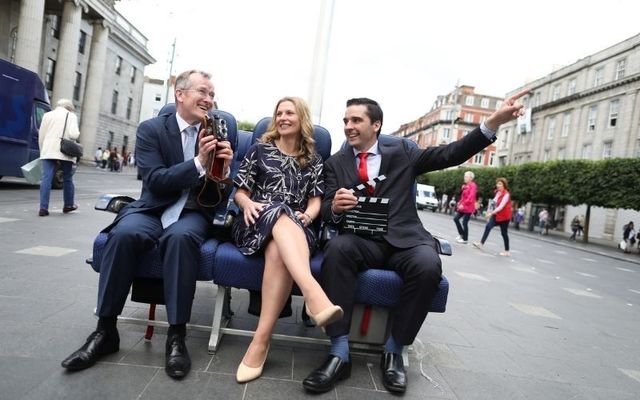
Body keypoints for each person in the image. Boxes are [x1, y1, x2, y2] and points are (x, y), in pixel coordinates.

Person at [303, 91, 528, 394]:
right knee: (337, 249)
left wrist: (493, 123)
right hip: (361, 239)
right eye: (346, 120)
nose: (349, 126)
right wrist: (335, 206)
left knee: (427, 264)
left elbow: (452, 153)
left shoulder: (403, 152)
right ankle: (339, 352)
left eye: (356, 120)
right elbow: (327, 212)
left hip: (405, 239)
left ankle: (394, 351)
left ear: (377, 125)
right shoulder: (335, 164)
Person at [60, 70, 234, 380]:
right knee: (123, 234)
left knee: (180, 239)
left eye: (212, 94)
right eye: (202, 92)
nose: (208, 100)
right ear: (179, 94)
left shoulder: (217, 133)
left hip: (194, 211)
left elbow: (219, 195)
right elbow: (155, 180)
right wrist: (198, 163)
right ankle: (105, 331)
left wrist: (223, 169)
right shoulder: (152, 129)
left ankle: (176, 335)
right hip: (154, 205)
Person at [231, 97, 342, 383]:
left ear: (301, 118)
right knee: (278, 210)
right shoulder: (259, 150)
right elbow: (240, 193)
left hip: (296, 229)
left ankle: (260, 341)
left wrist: (308, 215)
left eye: (289, 112)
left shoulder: (314, 160)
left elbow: (316, 202)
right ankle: (313, 294)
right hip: (256, 221)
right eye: (278, 113)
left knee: (279, 249)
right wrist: (247, 205)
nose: (282, 117)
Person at [37, 98, 80, 217]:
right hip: (65, 150)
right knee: (67, 178)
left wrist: (43, 150)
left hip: (48, 149)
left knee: (46, 178)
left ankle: (43, 208)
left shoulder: (47, 115)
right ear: (69, 107)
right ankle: (68, 205)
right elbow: (74, 134)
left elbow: (42, 135)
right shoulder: (71, 116)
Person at [472, 178, 512, 257]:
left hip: (504, 216)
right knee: (488, 226)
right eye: (497, 184)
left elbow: (501, 206)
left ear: (504, 185)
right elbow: (493, 203)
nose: (498, 185)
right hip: (496, 215)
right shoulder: (498, 193)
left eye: (500, 184)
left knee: (504, 233)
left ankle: (507, 251)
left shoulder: (506, 194)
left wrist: (491, 214)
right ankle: (481, 244)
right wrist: (488, 211)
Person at [453, 171, 477, 244]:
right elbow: (463, 197)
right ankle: (461, 234)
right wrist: (459, 203)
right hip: (463, 207)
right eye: (464, 176)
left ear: (471, 178)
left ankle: (465, 239)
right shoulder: (465, 186)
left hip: (469, 208)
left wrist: (463, 204)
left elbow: (471, 197)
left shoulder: (473, 185)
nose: (465, 178)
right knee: (456, 219)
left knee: (464, 222)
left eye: (466, 176)